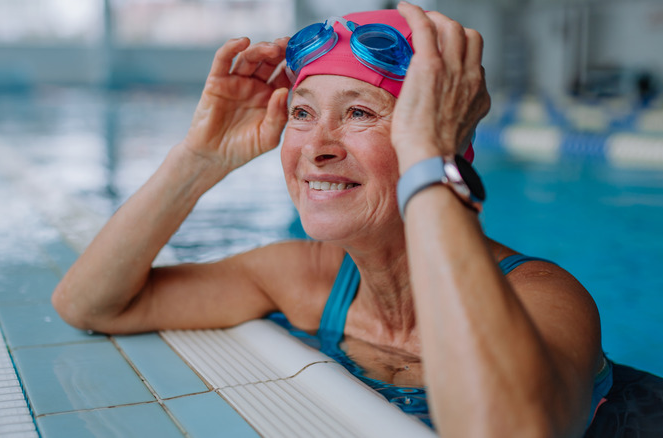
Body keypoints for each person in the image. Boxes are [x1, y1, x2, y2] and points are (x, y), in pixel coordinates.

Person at [52, 2, 611, 436]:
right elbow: (91, 305)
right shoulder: (306, 277)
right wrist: (200, 160)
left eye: (360, 113)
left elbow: (511, 429)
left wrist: (429, 157)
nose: (316, 147)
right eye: (302, 113)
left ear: (442, 142)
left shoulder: (543, 297)